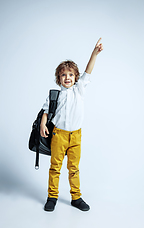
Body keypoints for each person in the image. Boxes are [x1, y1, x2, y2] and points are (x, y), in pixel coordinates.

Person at [40, 38, 103, 212]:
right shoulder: (55, 95)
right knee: (55, 167)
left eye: (70, 75)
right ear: (58, 78)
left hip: (75, 136)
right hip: (58, 135)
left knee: (74, 168)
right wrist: (43, 125)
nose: (67, 78)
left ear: (76, 77)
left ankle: (76, 197)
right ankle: (52, 197)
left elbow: (88, 71)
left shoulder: (79, 89)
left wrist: (94, 53)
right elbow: (45, 111)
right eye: (63, 75)